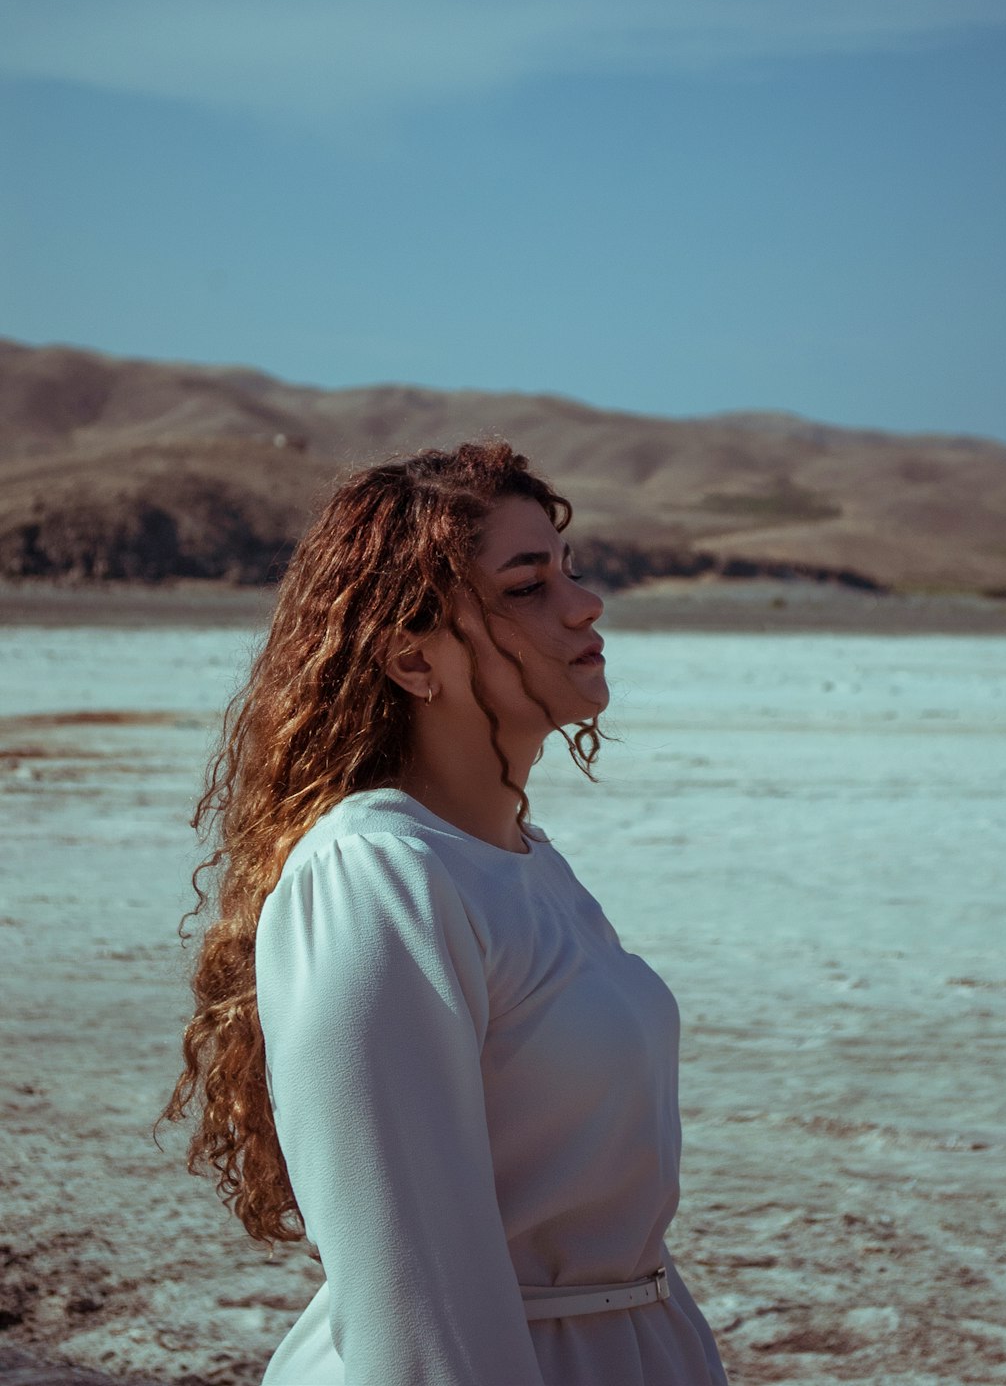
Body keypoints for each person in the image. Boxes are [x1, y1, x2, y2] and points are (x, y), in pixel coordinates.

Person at [162, 439, 728, 1386]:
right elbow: (413, 1290)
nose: (584, 604)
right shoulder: (377, 875)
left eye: (570, 570)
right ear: (411, 659)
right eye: (525, 586)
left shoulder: (528, 863)